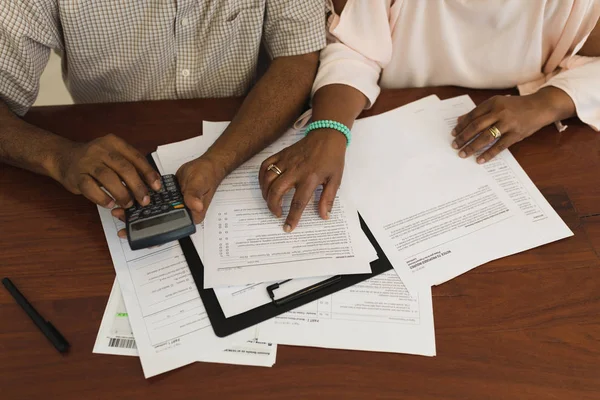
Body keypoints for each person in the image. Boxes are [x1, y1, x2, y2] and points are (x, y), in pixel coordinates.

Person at [259, 0, 600, 233]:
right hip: (380, 131)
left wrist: (547, 103)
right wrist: (328, 128)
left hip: (521, 161)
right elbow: (356, 48)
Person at [0, 1, 325, 230]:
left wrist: (219, 160)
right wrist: (59, 157)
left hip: (243, 132)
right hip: (104, 155)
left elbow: (297, 57)